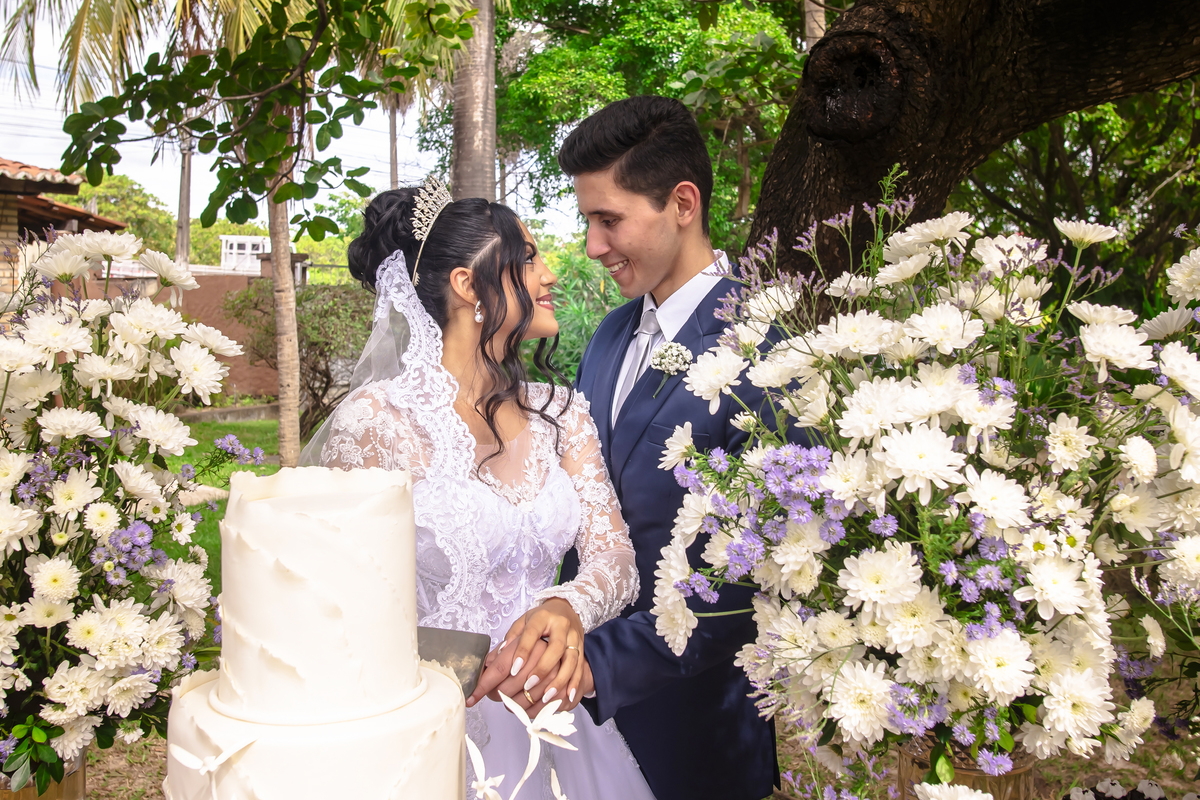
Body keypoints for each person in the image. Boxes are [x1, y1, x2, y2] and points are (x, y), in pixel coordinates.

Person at [471, 96, 779, 800]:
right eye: (587, 221)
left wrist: (590, 667)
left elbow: (751, 574)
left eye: (609, 220)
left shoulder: (764, 346)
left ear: (682, 203)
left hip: (692, 736)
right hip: (571, 733)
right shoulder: (609, 335)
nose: (591, 246)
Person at [307, 187, 656, 800]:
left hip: (556, 722)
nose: (550, 273)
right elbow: (336, 603)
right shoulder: (378, 422)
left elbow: (615, 559)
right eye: (527, 257)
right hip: (431, 730)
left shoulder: (563, 413)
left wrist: (568, 608)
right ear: (469, 285)